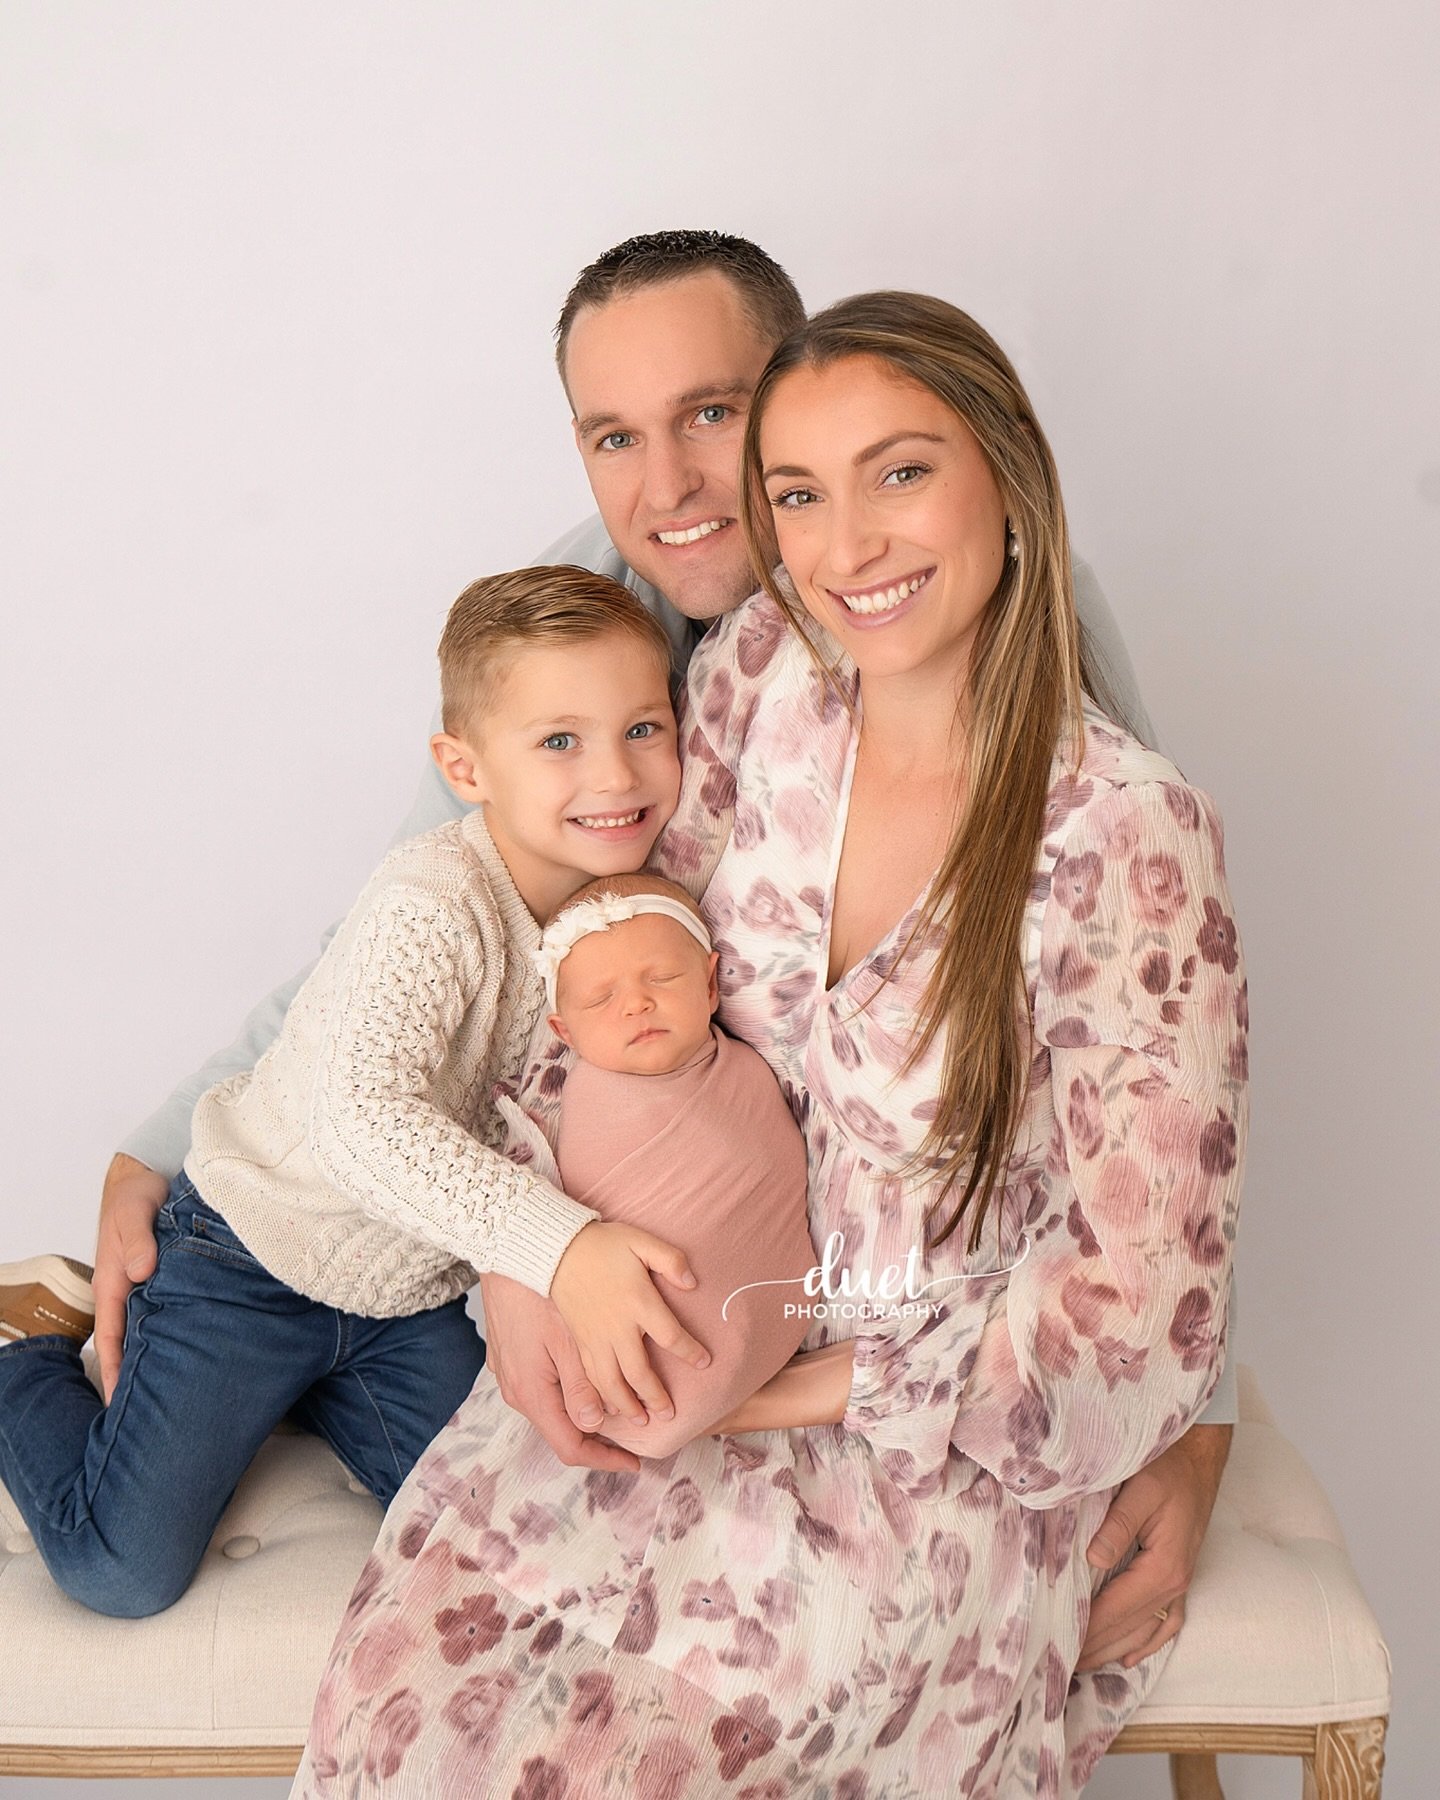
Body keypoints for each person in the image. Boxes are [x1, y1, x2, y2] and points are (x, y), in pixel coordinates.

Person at [89, 230, 1237, 1665]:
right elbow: (435, 928)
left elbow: (1153, 1037)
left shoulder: (1005, 629)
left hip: (866, 1323)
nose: (670, 489)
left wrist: (1200, 1422)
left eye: (712, 415)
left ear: (803, 391)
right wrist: (165, 1141)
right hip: (605, 1250)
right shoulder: (586, 608)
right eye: (614, 437)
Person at [0, 566, 718, 1617]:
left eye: (643, 728)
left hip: (402, 1294)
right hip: (252, 1251)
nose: (614, 773)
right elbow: (363, 1124)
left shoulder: (627, 916)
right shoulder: (432, 903)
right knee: (123, 1570)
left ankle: (322, 1395)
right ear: (464, 766)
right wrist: (562, 1247)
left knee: (513, 1530)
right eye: (559, 741)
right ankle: (21, 1359)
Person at [500, 870, 815, 1456]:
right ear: (563, 1031)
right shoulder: (568, 1098)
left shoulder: (748, 1070)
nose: (637, 1003)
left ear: (711, 987)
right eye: (601, 999)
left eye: (663, 978)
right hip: (621, 1360)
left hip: (781, 1324)